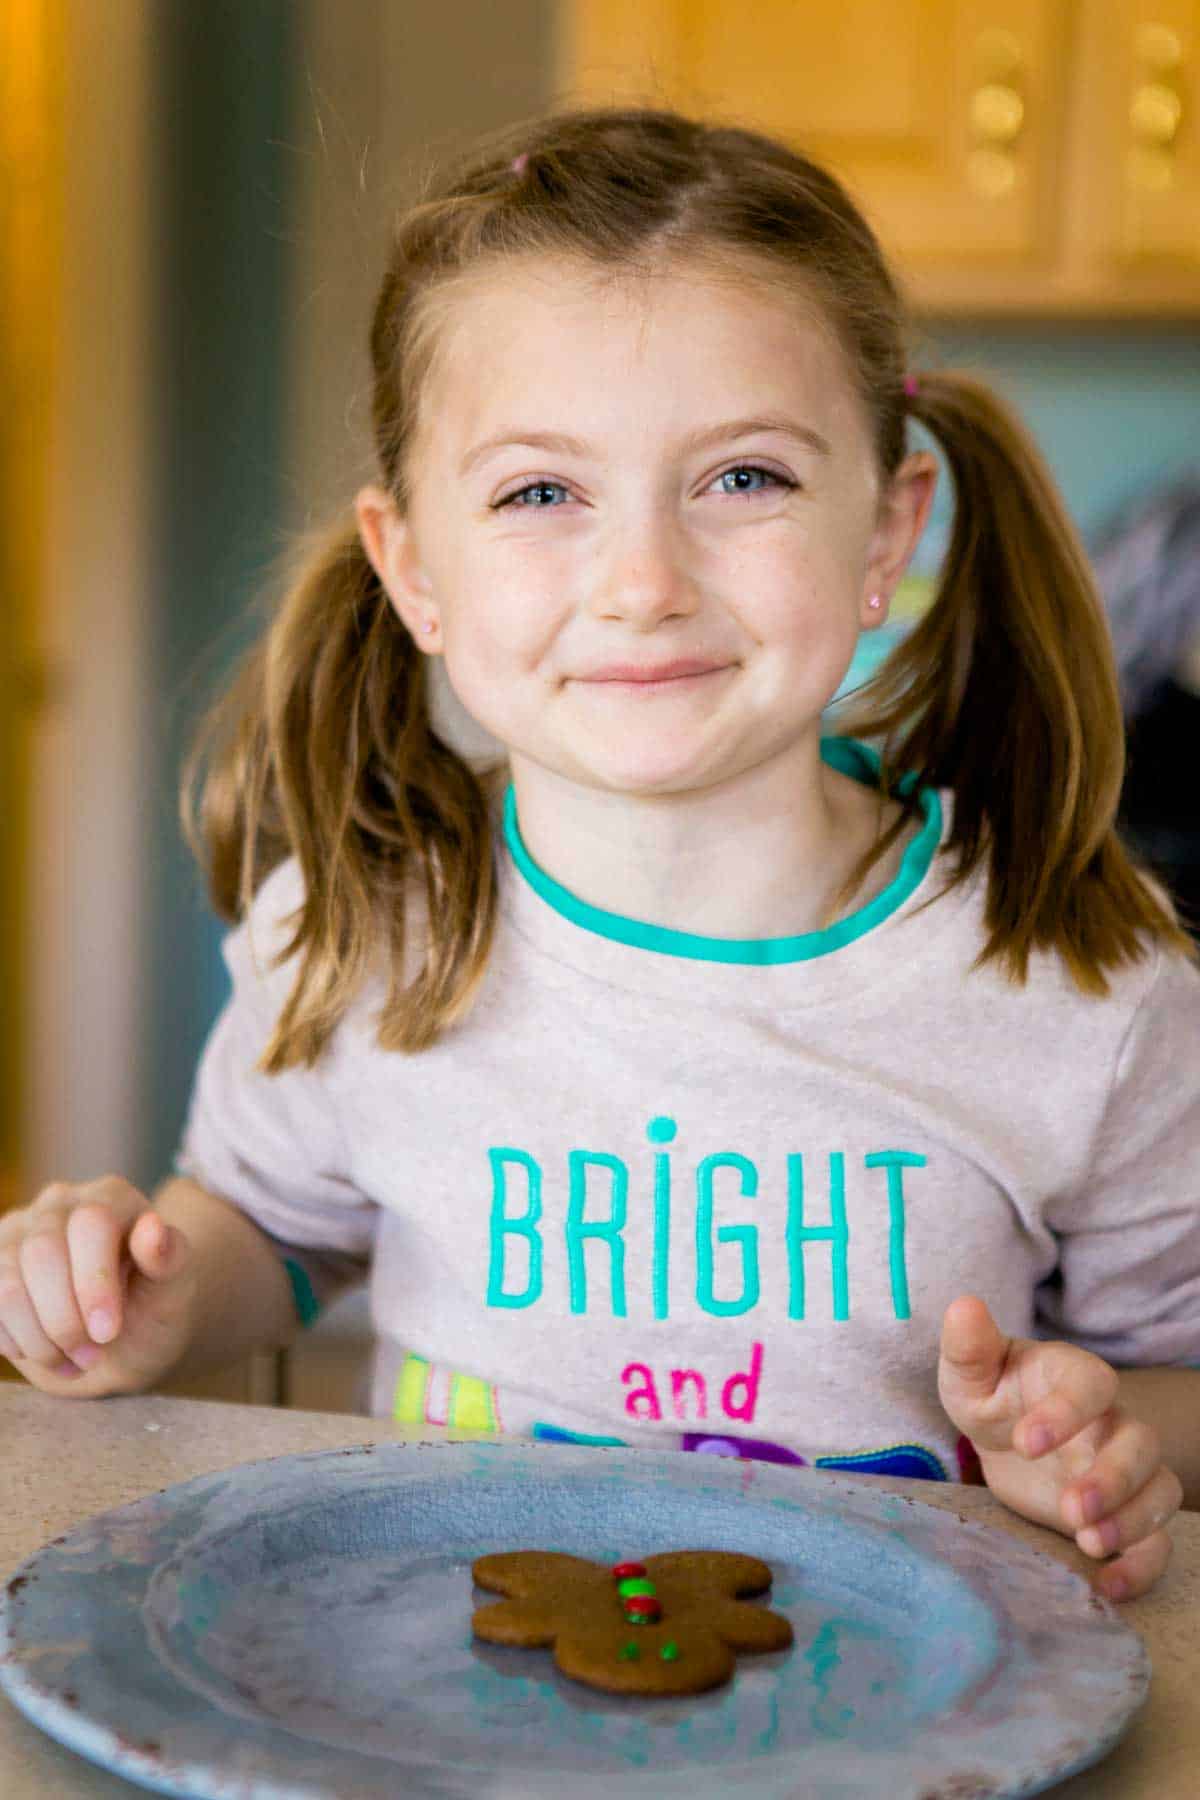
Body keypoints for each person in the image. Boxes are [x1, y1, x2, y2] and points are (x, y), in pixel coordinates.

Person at [3, 105, 1198, 1606]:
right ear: (414, 568)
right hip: (454, 1694)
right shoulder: (374, 927)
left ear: (888, 533)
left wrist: (1101, 1439)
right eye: (540, 493)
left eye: (745, 479)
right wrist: (146, 1292)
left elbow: (1179, 1376)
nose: (642, 583)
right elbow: (266, 1228)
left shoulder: (1082, 985)